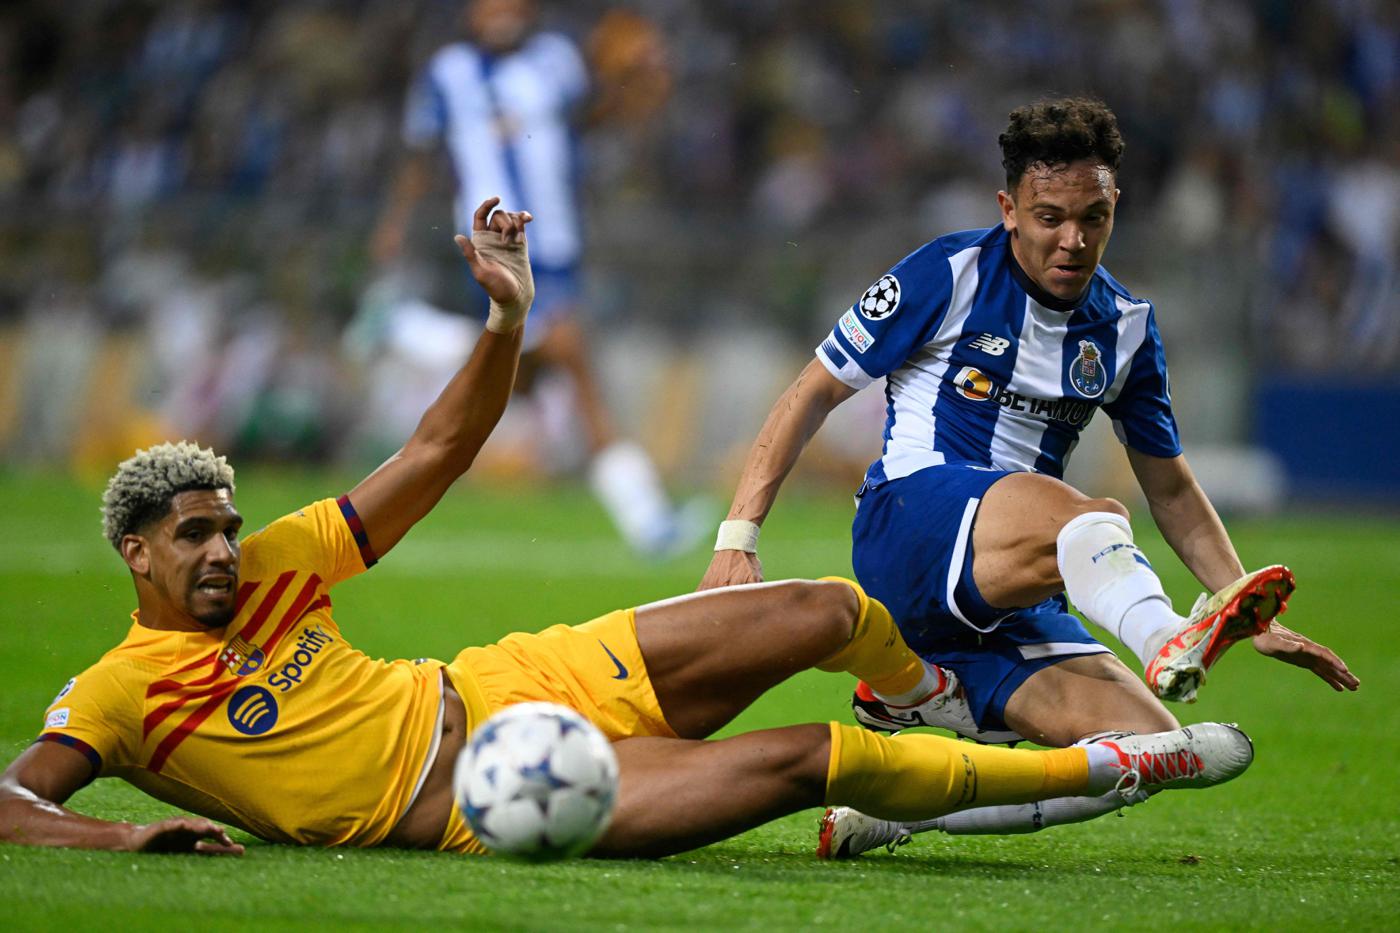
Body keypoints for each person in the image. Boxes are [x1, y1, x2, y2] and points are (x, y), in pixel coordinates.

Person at [0, 197, 1253, 860]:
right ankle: (1092, 768)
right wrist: (126, 829)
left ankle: (930, 699)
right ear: (137, 555)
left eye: (225, 526)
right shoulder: (118, 695)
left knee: (828, 609)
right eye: (195, 538)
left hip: (506, 685)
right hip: (467, 801)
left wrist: (504, 324)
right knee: (799, 761)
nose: (224, 550)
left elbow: (437, 451)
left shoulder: (278, 562)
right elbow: (10, 802)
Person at [699, 98, 1359, 855]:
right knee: (1088, 513)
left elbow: (1172, 487)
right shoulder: (948, 273)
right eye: (1049, 217)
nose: (1073, 241)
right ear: (1008, 208)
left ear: (1116, 207)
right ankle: (1167, 635)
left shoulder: (1126, 328)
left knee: (1150, 752)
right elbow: (810, 391)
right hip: (911, 528)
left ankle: (900, 804)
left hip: (1018, 579)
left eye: (1093, 217)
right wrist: (739, 534)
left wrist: (1252, 609)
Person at [371, 0, 698, 558]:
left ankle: (409, 331)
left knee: (516, 378)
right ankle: (648, 522)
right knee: (573, 359)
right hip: (498, 241)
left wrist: (629, 87)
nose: (504, 12)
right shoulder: (448, 72)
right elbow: (421, 156)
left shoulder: (558, 59)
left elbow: (589, 121)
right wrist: (394, 225)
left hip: (558, 240)